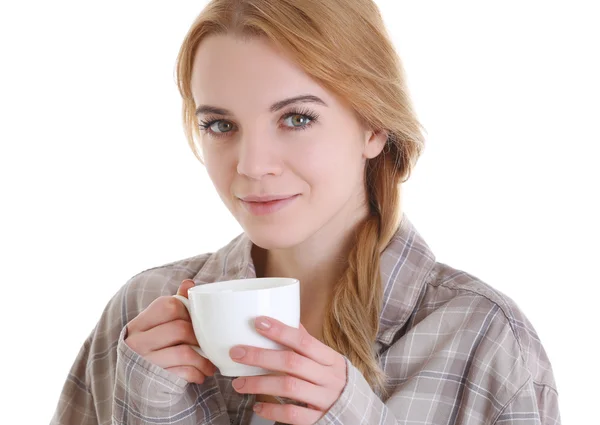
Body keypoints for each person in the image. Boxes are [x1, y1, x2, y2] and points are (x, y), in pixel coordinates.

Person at [51, 1, 561, 424]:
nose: (252, 166)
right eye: (219, 125)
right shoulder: (140, 316)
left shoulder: (483, 339)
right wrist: (144, 409)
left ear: (373, 126)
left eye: (296, 118)